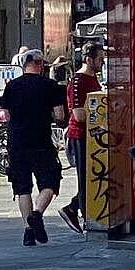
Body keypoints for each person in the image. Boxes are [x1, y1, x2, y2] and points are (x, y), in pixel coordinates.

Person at [0, 49, 67, 247]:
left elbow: (6, 115)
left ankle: (28, 232)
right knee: (50, 182)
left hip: (17, 142)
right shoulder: (50, 86)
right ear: (41, 65)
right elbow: (60, 115)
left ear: (24, 64)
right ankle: (37, 214)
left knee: (22, 188)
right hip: (41, 141)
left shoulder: (12, 86)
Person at [58, 43, 104, 233]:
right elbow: (78, 115)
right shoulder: (78, 81)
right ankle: (83, 214)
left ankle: (74, 207)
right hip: (81, 135)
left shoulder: (93, 79)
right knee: (85, 177)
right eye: (100, 59)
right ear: (88, 59)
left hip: (95, 135)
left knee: (92, 176)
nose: (102, 63)